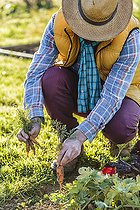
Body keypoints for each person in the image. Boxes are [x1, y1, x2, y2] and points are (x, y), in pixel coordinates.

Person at [17, 0, 140, 170]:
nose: (90, 34)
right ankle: (68, 144)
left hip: (122, 93)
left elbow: (112, 96)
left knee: (121, 127)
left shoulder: (131, 35)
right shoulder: (59, 23)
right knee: (51, 79)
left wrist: (80, 136)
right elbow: (35, 72)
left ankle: (117, 142)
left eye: (99, 30)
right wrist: (34, 118)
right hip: (78, 85)